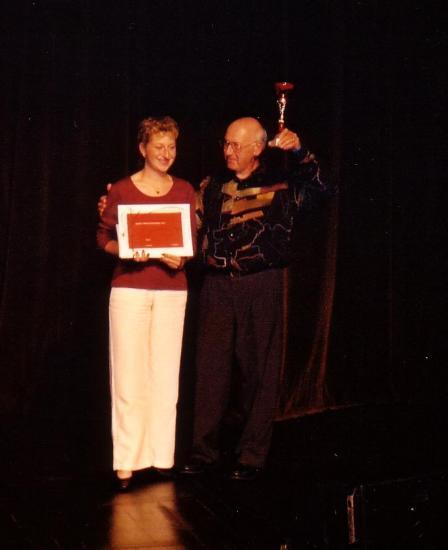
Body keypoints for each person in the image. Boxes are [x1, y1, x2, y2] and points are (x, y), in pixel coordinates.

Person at [180, 117, 328, 481]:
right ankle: (203, 452)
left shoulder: (282, 184)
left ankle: (251, 455)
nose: (228, 152)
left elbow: (322, 189)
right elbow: (184, 224)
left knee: (258, 372)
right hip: (216, 285)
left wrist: (300, 151)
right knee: (210, 371)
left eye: (237, 145)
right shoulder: (212, 186)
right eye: (226, 144)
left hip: (261, 284)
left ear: (258, 148)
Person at [96, 116, 196, 490]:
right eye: (159, 147)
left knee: (165, 375)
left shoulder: (185, 189)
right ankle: (126, 462)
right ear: (143, 149)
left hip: (173, 289)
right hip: (130, 289)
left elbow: (190, 241)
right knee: (128, 376)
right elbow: (102, 236)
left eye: (171, 147)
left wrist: (182, 258)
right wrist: (122, 249)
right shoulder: (122, 190)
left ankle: (160, 456)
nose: (166, 154)